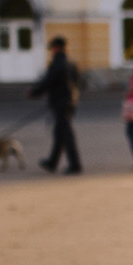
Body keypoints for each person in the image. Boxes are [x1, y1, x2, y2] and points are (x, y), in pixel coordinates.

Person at [29, 36, 82, 174]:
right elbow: (79, 83)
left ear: (57, 48)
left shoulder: (57, 64)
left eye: (52, 48)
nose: (51, 51)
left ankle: (75, 165)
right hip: (70, 103)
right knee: (59, 133)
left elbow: (48, 82)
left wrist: (34, 92)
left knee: (66, 134)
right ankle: (52, 162)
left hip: (60, 103)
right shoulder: (71, 63)